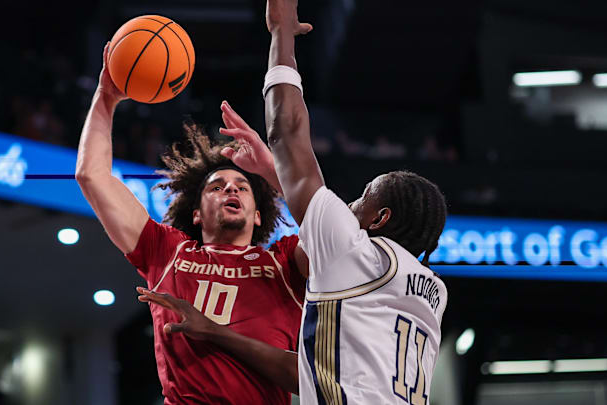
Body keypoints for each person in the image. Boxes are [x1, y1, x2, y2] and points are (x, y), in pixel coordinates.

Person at [141, 0, 449, 402]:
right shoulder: (432, 291)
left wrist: (281, 32)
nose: (348, 206)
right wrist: (272, 172)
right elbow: (307, 375)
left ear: (380, 219)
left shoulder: (356, 253)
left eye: (361, 199)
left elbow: (287, 132)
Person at [75, 43, 307, 404]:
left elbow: (334, 231)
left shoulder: (284, 262)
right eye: (217, 186)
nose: (231, 187)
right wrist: (106, 96)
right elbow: (91, 175)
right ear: (196, 213)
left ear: (258, 213)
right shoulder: (167, 250)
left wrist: (273, 172)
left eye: (242, 186)